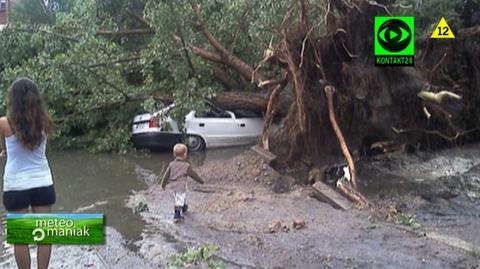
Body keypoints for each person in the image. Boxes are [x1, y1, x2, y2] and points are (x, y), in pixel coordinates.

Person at [1, 78, 55, 269]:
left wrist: (5, 152)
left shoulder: (4, 123)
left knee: (21, 239)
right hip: (42, 183)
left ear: (13, 99)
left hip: (16, 186)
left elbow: (5, 150)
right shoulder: (44, 122)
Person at [160, 143, 205, 223]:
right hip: (181, 186)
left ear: (174, 154)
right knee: (179, 199)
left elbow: (166, 175)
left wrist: (163, 185)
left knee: (178, 198)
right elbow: (193, 175)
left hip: (173, 186)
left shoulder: (171, 164)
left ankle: (184, 207)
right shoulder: (186, 166)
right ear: (185, 155)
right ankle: (177, 216)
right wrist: (201, 181)